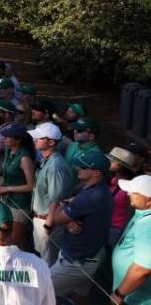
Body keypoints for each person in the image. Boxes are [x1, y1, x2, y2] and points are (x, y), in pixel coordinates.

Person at [46, 148, 114, 302]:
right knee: (79, 296)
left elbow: (56, 218)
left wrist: (64, 203)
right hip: (91, 255)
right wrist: (69, 219)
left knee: (41, 291)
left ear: (96, 173)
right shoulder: (100, 191)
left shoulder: (90, 196)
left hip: (76, 261)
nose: (79, 169)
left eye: (84, 167)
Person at [29, 122, 74, 265]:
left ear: (51, 142)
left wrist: (48, 224)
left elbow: (57, 199)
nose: (35, 140)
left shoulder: (56, 166)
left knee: (49, 263)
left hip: (48, 221)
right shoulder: (46, 160)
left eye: (39, 138)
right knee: (43, 258)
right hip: (40, 219)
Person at [111, 174, 151, 304]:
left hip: (134, 299)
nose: (128, 193)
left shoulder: (148, 225)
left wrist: (119, 293)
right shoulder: (142, 212)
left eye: (134, 192)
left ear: (148, 200)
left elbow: (142, 269)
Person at [0, 123, 35, 250]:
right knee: (7, 236)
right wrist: (2, 185)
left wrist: (6, 188)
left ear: (18, 140)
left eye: (8, 137)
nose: (5, 139)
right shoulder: (8, 150)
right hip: (6, 199)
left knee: (17, 239)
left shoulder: (24, 158)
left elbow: (30, 186)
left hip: (19, 203)